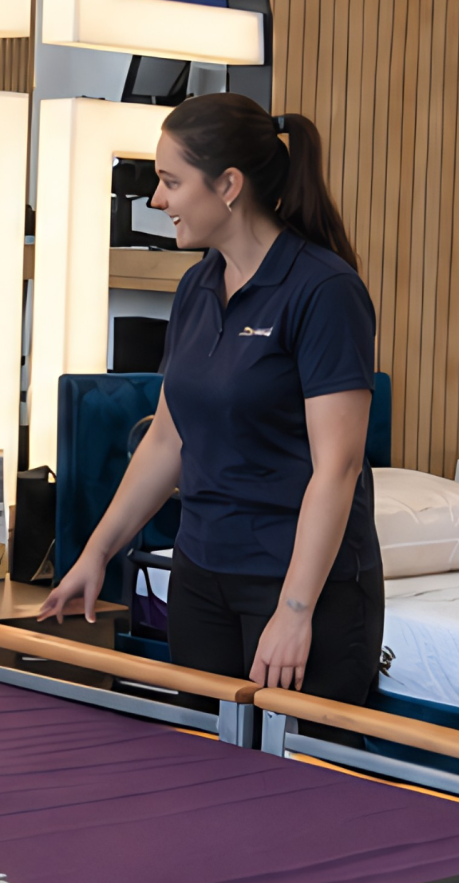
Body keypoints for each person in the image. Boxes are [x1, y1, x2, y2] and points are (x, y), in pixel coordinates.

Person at [39, 93, 383, 715]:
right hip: (201, 575)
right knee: (202, 763)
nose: (156, 200)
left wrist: (294, 610)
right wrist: (96, 552)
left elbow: (338, 467)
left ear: (228, 185)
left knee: (299, 772)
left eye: (171, 181)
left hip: (300, 586)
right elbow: (167, 440)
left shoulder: (325, 290)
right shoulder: (197, 285)